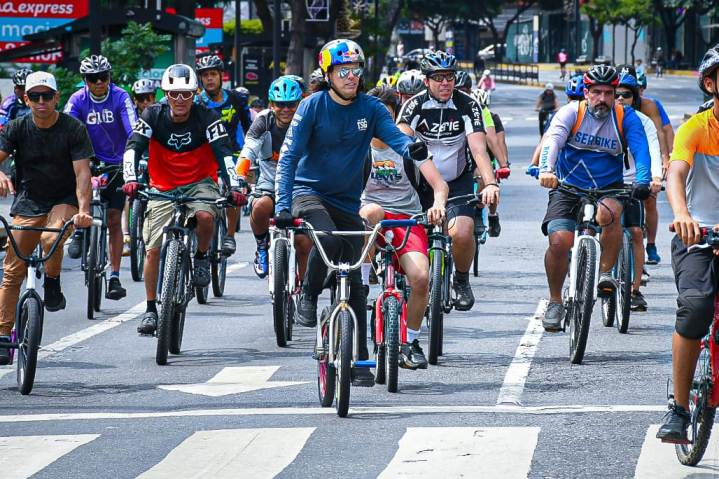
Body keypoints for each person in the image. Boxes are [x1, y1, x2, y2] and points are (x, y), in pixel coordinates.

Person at [274, 39, 429, 387]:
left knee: (355, 281)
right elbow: (287, 158)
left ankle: (359, 362)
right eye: (343, 71)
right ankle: (309, 295)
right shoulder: (312, 106)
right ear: (328, 74)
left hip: (347, 202)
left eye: (356, 71)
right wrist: (283, 206)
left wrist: (412, 147)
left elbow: (395, 137)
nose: (351, 77)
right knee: (325, 238)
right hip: (308, 193)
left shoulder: (371, 109)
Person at [123, 64, 246, 335]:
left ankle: (201, 257)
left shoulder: (208, 116)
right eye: (174, 94)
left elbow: (225, 154)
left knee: (205, 216)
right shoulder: (152, 114)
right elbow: (133, 148)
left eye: (186, 94)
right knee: (152, 248)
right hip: (162, 185)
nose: (180, 100)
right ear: (165, 93)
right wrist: (130, 178)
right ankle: (151, 309)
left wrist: (235, 185)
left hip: (200, 183)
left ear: (195, 93)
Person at [537, 64, 651, 331]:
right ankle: (555, 301)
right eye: (596, 92)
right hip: (568, 186)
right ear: (586, 93)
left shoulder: (626, 117)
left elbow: (641, 150)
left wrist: (644, 181)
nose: (603, 99)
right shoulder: (569, 113)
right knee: (559, 241)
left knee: (609, 213)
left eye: (609, 93)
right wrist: (546, 171)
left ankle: (605, 274)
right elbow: (551, 142)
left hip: (607, 186)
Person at [0, 72, 94, 364]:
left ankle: (52, 280)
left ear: (56, 98)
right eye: (35, 96)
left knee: (52, 238)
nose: (41, 102)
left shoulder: (73, 128)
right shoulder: (16, 127)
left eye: (46, 96)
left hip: (62, 200)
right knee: (13, 266)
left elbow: (82, 175)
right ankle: (3, 335)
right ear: (26, 99)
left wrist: (83, 211)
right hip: (28, 202)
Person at [396, 50, 500, 311]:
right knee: (410, 236)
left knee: (463, 232)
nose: (445, 83)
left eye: (450, 78)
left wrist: (489, 183)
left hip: (457, 179)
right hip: (419, 182)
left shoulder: (468, 105)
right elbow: (399, 142)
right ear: (426, 80)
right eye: (438, 78)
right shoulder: (414, 105)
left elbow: (478, 150)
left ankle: (462, 280)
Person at [656, 43, 719, 444]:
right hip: (699, 233)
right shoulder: (696, 128)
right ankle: (679, 408)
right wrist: (682, 215)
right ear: (711, 84)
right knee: (695, 309)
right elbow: (676, 175)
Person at [360, 86, 448, 370]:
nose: (382, 124)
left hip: (407, 220)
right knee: (371, 211)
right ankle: (361, 282)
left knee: (421, 277)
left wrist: (437, 205)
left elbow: (439, 185)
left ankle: (410, 341)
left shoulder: (410, 145)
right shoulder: (356, 146)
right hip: (369, 218)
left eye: (387, 117)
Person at [64, 54, 136, 301]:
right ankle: (78, 231)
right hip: (86, 160)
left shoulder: (121, 96)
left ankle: (114, 275)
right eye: (92, 79)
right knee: (75, 191)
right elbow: (66, 129)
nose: (98, 83)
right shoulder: (77, 100)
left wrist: (135, 153)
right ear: (85, 80)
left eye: (102, 78)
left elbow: (133, 128)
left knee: (115, 219)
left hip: (116, 163)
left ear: (109, 77)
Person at [237, 76, 310, 279]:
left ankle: (305, 292)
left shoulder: (307, 121)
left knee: (304, 242)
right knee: (260, 206)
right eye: (280, 104)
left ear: (299, 103)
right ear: (271, 104)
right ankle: (261, 246)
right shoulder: (263, 120)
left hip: (300, 186)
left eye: (291, 104)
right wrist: (240, 175)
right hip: (270, 184)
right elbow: (249, 149)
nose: (285, 109)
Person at [614, 72, 663, 311]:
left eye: (626, 95)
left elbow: (652, 149)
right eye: (616, 94)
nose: (620, 99)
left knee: (634, 232)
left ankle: (634, 290)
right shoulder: (603, 118)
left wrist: (655, 177)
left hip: (635, 184)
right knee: (598, 225)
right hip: (607, 184)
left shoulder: (643, 122)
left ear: (634, 98)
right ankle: (591, 268)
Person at [195, 54, 252, 257]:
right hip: (205, 154)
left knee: (234, 189)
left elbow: (250, 129)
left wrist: (250, 157)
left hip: (233, 152)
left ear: (221, 76)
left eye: (213, 74)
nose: (209, 78)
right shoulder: (195, 102)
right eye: (205, 75)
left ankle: (229, 235)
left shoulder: (237, 99)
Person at [472, 88, 510, 236]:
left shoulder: (492, 117)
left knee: (489, 180)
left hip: (487, 156)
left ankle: (491, 215)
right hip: (468, 155)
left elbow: (498, 142)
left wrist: (503, 164)